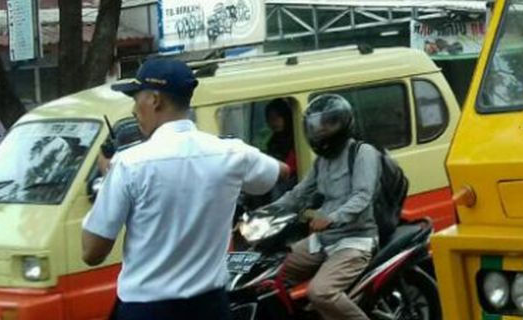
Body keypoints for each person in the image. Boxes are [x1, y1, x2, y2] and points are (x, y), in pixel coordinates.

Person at [80, 59, 290, 320]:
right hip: (211, 307)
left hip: (147, 311)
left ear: (155, 100)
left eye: (136, 98)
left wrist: (107, 184)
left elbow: (92, 253)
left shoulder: (129, 164)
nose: (134, 109)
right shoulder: (231, 153)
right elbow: (280, 171)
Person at [266, 94, 380, 320]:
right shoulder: (322, 161)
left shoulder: (362, 153)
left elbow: (362, 196)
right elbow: (299, 194)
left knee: (320, 292)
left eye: (329, 123)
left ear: (343, 123)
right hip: (322, 240)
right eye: (318, 124)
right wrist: (266, 213)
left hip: (354, 240)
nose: (321, 130)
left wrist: (332, 217)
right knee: (270, 273)